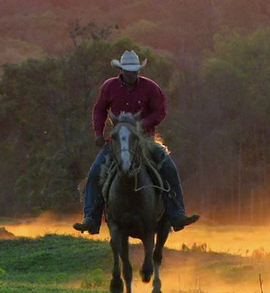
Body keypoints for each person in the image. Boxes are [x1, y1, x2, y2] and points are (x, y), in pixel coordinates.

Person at [73, 50, 199, 234]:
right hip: (118, 141)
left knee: (169, 168)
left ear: (139, 70)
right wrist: (98, 133)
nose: (131, 74)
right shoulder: (109, 87)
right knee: (94, 173)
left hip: (145, 140)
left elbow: (160, 111)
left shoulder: (150, 88)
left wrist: (142, 124)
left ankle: (177, 213)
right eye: (128, 70)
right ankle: (91, 217)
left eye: (134, 71)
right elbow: (99, 109)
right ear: (121, 70)